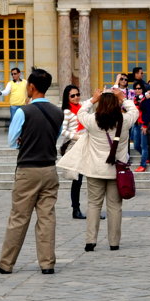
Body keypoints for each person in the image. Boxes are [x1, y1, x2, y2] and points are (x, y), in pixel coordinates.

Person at [0, 68, 63, 275]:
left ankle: (6, 262)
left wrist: (24, 140)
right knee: (47, 217)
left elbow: (12, 140)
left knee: (19, 217)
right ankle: (47, 263)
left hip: (28, 169)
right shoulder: (57, 112)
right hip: (49, 168)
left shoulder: (23, 111)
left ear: (31, 86)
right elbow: (54, 137)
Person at [72, 88, 139, 252]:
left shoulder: (93, 121)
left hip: (95, 169)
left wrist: (92, 100)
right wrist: (123, 98)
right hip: (117, 170)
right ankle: (114, 242)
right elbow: (135, 111)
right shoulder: (124, 120)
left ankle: (90, 241)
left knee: (94, 204)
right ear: (117, 104)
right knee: (115, 207)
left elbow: (80, 113)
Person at [59, 84, 86, 219]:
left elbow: (92, 101)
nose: (76, 97)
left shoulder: (82, 108)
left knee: (92, 178)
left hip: (86, 144)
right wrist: (77, 137)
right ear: (67, 97)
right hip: (75, 146)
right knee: (77, 179)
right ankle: (76, 209)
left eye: (78, 94)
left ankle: (93, 209)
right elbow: (62, 131)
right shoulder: (66, 112)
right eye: (72, 96)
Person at [133, 82, 150, 172]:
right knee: (136, 146)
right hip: (136, 124)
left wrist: (145, 125)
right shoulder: (135, 98)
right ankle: (148, 157)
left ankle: (143, 165)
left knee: (144, 146)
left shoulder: (146, 99)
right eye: (136, 88)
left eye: (139, 88)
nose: (137, 90)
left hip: (144, 124)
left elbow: (148, 113)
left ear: (143, 89)